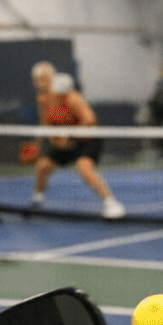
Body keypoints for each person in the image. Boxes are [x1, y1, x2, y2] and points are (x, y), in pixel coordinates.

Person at [28, 61, 125, 219]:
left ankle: (111, 203)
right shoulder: (42, 99)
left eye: (43, 78)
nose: (39, 82)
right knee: (42, 166)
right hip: (65, 139)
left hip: (87, 138)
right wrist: (50, 141)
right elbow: (46, 123)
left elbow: (90, 120)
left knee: (83, 166)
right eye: (36, 79)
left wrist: (69, 135)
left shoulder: (69, 95)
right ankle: (37, 201)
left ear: (52, 78)